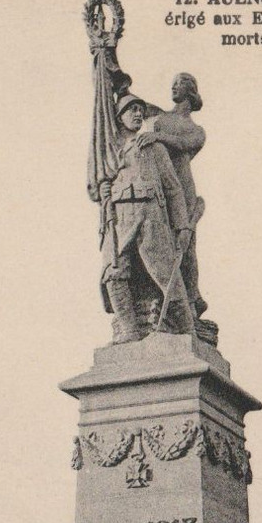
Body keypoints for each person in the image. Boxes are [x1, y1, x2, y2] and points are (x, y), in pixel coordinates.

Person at [99, 93, 195, 343]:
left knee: (164, 273)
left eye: (140, 109)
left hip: (150, 216)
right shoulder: (111, 153)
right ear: (119, 118)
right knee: (114, 272)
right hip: (120, 220)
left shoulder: (153, 147)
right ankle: (129, 330)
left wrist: (182, 227)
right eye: (131, 110)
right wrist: (104, 190)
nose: (138, 114)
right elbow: (103, 184)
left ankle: (186, 329)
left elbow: (173, 188)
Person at [137, 73, 208, 320]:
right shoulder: (159, 115)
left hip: (182, 188)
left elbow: (184, 144)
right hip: (157, 184)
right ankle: (159, 298)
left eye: (180, 83)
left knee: (185, 247)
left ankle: (191, 300)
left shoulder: (197, 130)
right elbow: (130, 102)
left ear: (190, 91)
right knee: (156, 240)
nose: (174, 86)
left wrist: (158, 137)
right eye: (173, 83)